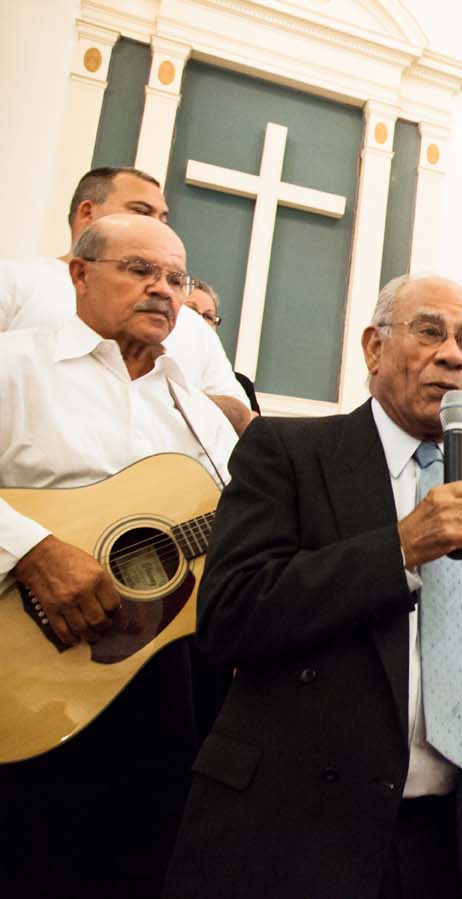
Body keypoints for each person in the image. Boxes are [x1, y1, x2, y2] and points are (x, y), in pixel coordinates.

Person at [164, 274, 462, 899]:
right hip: (301, 831)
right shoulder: (287, 452)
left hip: (454, 843)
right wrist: (397, 550)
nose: (453, 354)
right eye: (429, 332)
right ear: (373, 348)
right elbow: (229, 616)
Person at [0, 214, 238, 898]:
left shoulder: (196, 409)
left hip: (160, 682)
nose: (162, 289)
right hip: (29, 671)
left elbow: (238, 524)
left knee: (145, 863)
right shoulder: (16, 365)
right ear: (78, 272)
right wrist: (32, 549)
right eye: (140, 270)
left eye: (175, 277)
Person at [0, 166, 254, 434]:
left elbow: (241, 413)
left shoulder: (191, 323)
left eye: (162, 218)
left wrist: (155, 401)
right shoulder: (14, 280)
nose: (155, 224)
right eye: (142, 211)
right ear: (87, 212)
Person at [186, 279, 261, 413]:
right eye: (190, 311)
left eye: (208, 317)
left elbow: (253, 430)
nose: (200, 321)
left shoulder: (242, 385)